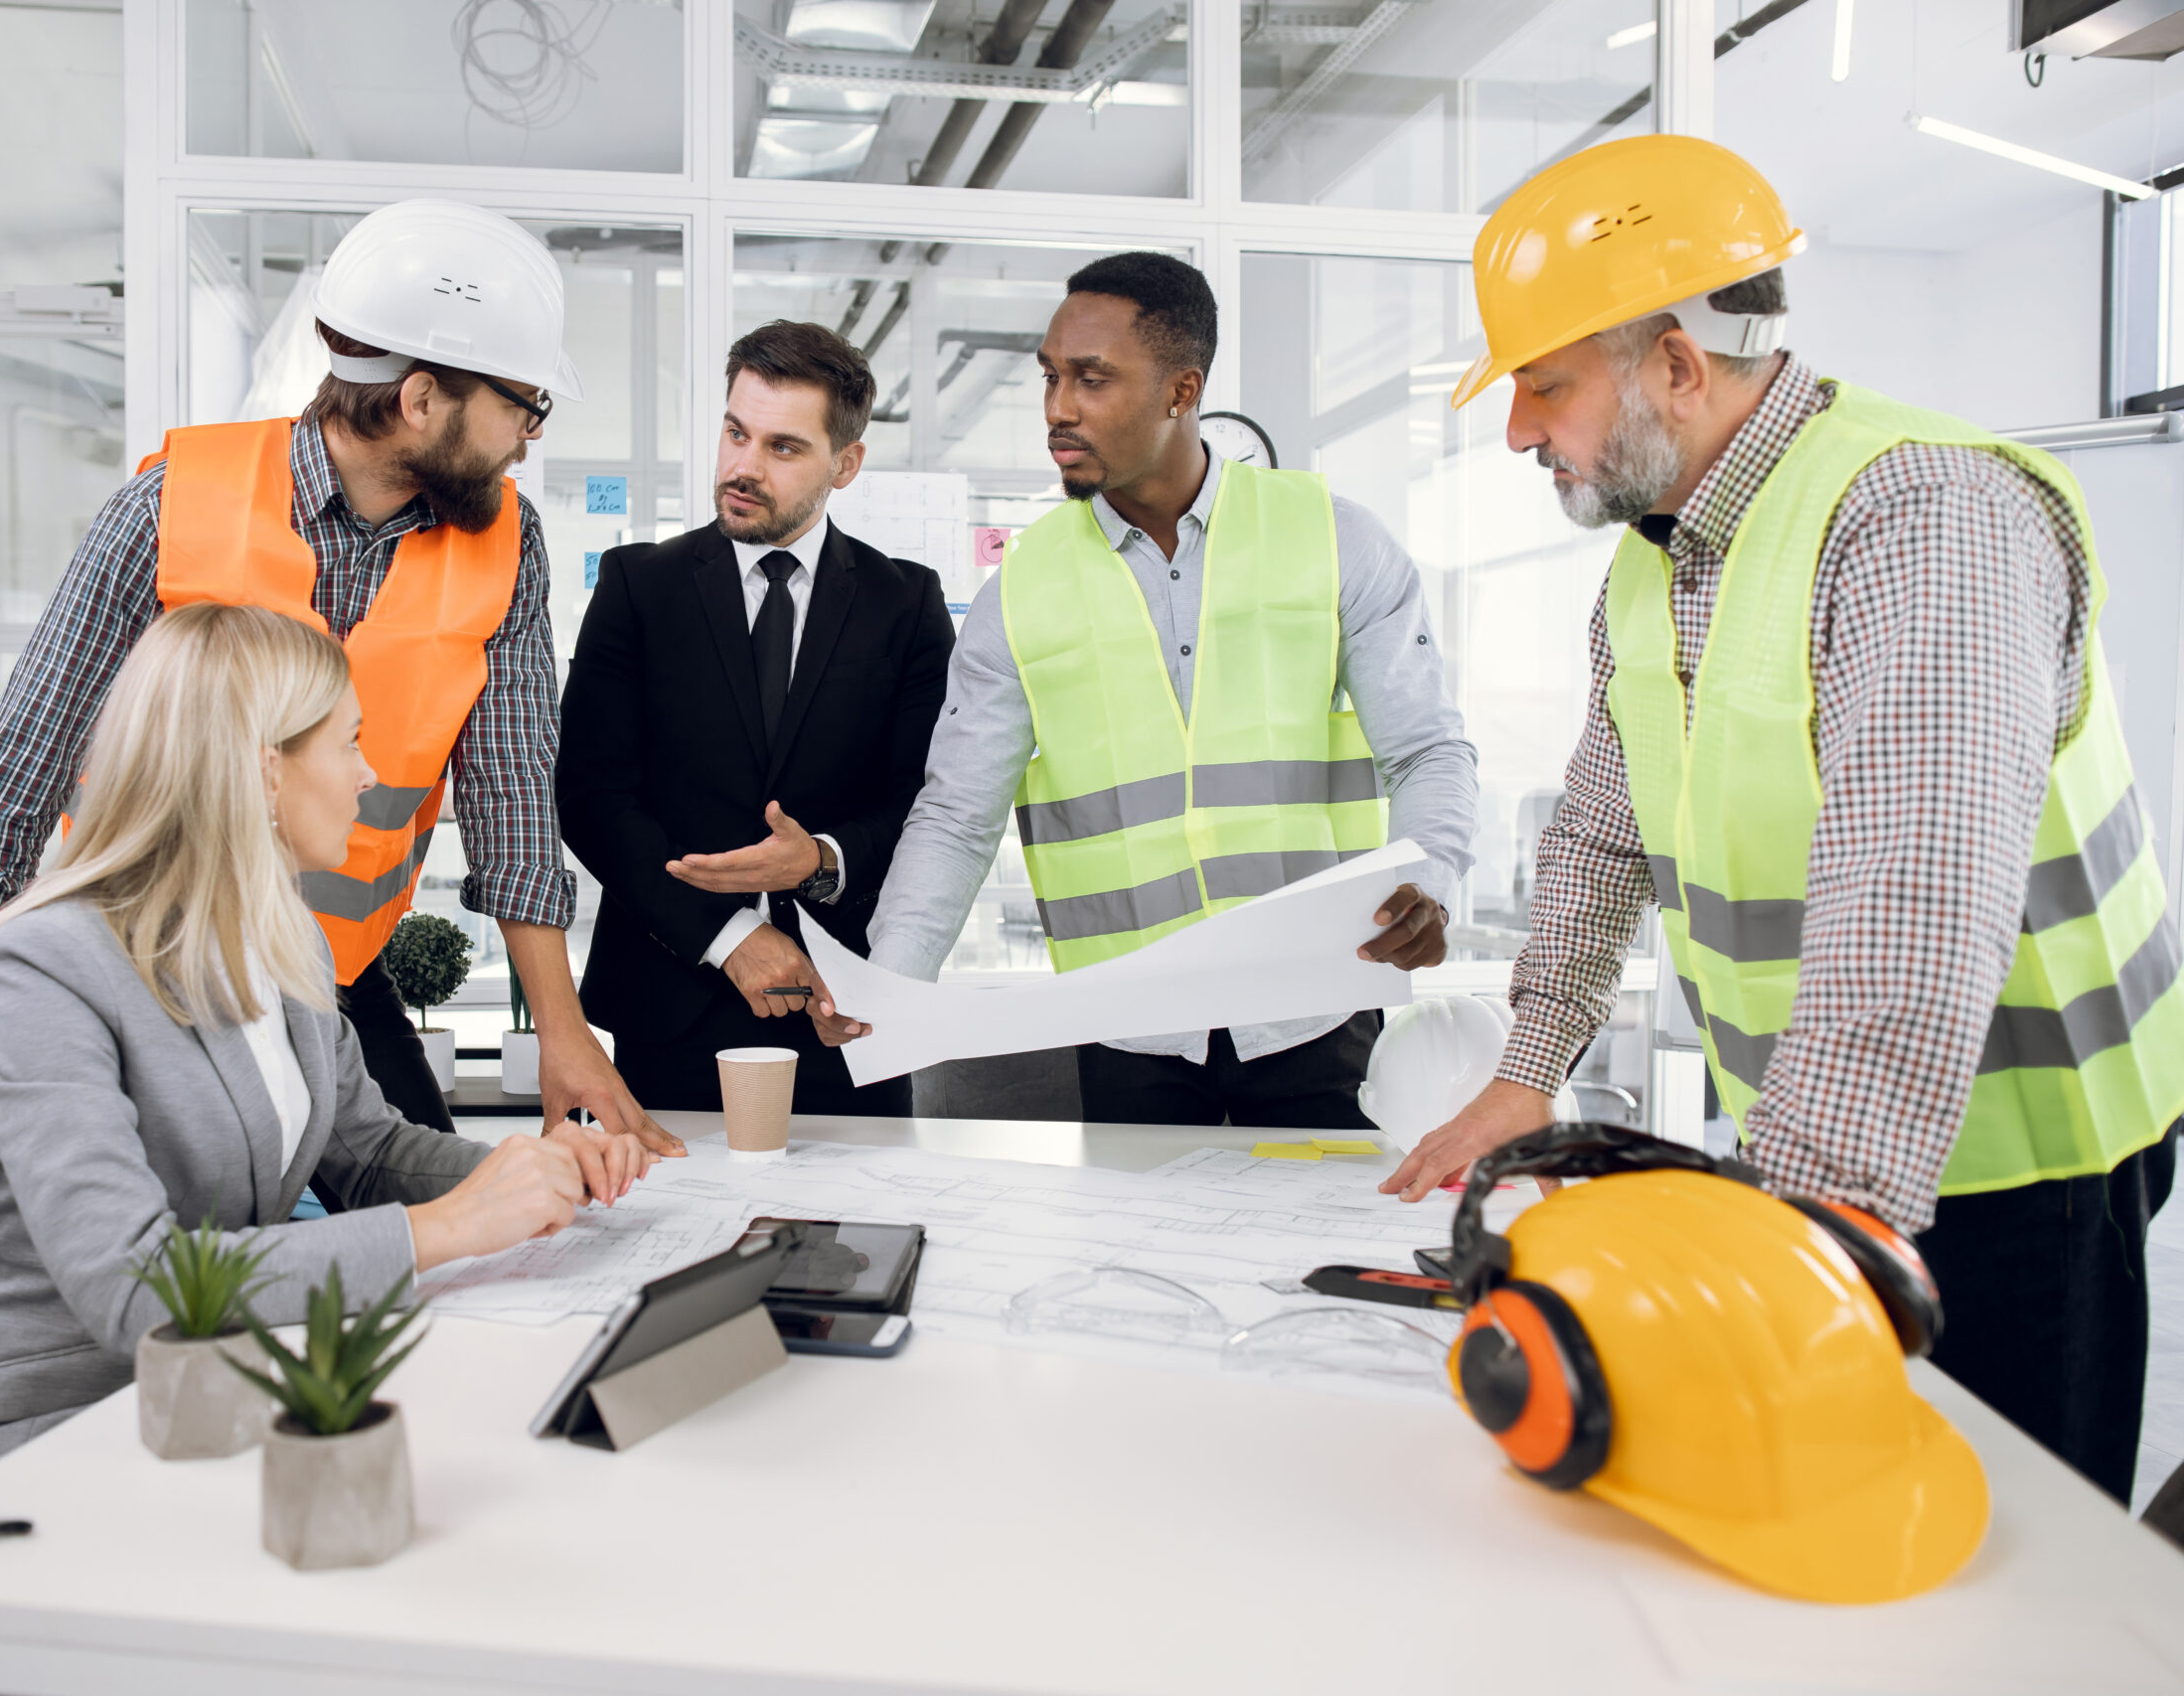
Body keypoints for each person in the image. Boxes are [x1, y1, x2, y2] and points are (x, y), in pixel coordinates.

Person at [1382, 134, 2181, 1504]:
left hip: (2016, 1166)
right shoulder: (1658, 555)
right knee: (1841, 1523)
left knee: (2008, 1563)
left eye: (1546, 382)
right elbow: (1596, 836)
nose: (1519, 427)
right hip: (1834, 1157)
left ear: (1679, 366)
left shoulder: (1923, 518)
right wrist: (1530, 1067)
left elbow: (1911, 913)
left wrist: (1785, 1242)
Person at [0, 200, 681, 1177]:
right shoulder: (164, 512)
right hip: (149, 978)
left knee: (455, 1229)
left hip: (329, 984)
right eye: (522, 405)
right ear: (420, 400)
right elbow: (21, 773)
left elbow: (512, 801)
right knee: (180, 1256)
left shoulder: (506, 543)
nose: (527, 438)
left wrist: (564, 1037)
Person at [0, 604, 651, 1521]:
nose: (370, 777)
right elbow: (135, 1284)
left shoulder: (287, 943)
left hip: (220, 1407)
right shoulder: (43, 964)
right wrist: (446, 1229)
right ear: (263, 769)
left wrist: (531, 1171)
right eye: (350, 744)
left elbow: (366, 1150)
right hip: (36, 1450)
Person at [863, 253, 1477, 1128]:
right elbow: (958, 815)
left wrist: (1434, 878)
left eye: (1092, 378)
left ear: (1182, 390)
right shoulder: (1022, 588)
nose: (1057, 408)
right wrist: (892, 984)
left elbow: (1429, 751)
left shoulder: (1334, 539)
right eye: (1049, 376)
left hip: (1318, 1016)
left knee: (1321, 1261)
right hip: (1129, 1033)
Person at [557, 321, 955, 1116]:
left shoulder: (905, 604)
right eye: (736, 432)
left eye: (782, 447)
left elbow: (927, 805)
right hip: (671, 1001)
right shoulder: (638, 587)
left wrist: (822, 860)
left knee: (857, 1234)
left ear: (845, 464)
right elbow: (593, 799)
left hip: (845, 1010)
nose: (742, 466)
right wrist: (731, 935)